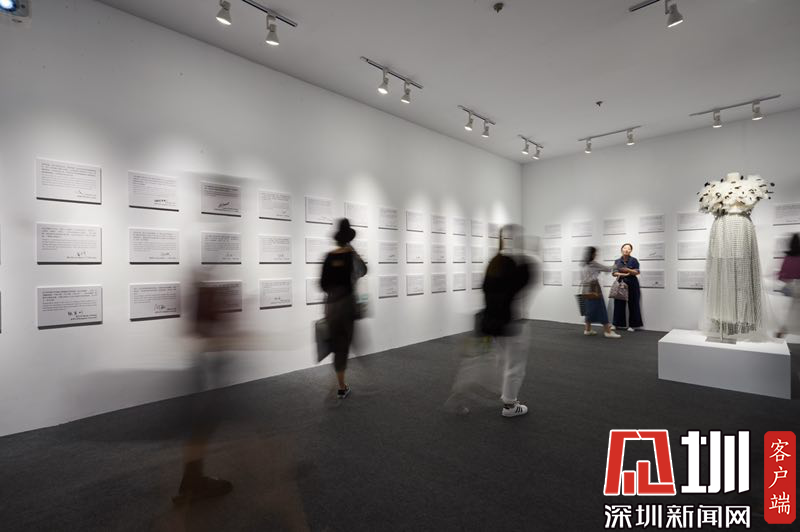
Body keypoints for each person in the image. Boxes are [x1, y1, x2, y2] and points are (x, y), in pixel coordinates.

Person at [481, 224, 535, 417]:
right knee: (515, 366)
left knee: (505, 361)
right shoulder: (521, 264)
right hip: (513, 322)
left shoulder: (494, 262)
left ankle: (506, 397)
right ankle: (510, 406)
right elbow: (521, 290)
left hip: (494, 322)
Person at [320, 218, 367, 399]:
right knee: (343, 344)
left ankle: (341, 382)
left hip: (331, 305)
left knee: (336, 342)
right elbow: (363, 271)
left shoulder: (329, 257)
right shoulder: (351, 256)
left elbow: (322, 284)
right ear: (349, 239)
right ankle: (341, 385)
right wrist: (354, 252)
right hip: (347, 305)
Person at [582, 246, 621, 339]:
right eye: (595, 253)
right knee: (601, 309)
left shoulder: (585, 264)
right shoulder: (593, 263)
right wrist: (616, 265)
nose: (596, 254)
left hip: (586, 288)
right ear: (592, 254)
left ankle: (587, 329)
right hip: (594, 288)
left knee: (589, 309)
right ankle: (608, 331)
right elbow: (607, 269)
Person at [612, 243, 643, 332]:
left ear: (631, 251)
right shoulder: (617, 261)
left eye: (629, 248)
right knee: (618, 304)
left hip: (632, 284)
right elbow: (614, 273)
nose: (626, 250)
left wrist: (628, 270)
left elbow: (637, 272)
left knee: (633, 304)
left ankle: (633, 325)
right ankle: (617, 324)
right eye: (625, 248)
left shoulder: (634, 260)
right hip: (620, 283)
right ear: (621, 249)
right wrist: (625, 274)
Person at [777, 233, 800, 339]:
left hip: (789, 287)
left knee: (787, 311)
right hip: (798, 286)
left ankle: (782, 332)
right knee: (794, 311)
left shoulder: (787, 257)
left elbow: (781, 275)